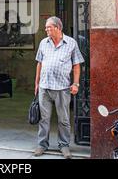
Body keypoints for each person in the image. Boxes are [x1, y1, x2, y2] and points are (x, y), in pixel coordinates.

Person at [33, 16, 84, 159]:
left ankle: (64, 145)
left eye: (49, 27)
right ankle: (42, 145)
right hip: (45, 87)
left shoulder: (71, 43)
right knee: (44, 119)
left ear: (58, 28)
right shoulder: (44, 43)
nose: (46, 30)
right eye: (46, 27)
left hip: (62, 88)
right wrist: (36, 83)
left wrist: (76, 83)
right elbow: (39, 63)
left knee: (64, 119)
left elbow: (77, 65)